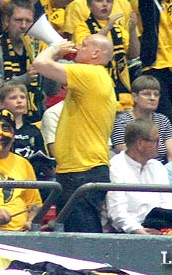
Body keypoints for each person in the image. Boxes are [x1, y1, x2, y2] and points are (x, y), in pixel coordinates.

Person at [32, 34, 118, 231]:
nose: (78, 47)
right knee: (76, 235)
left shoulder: (90, 73)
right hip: (78, 169)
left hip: (82, 170)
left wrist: (55, 47)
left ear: (96, 53)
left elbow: (40, 64)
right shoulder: (95, 77)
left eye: (84, 45)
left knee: (83, 240)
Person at [106, 118, 172, 234]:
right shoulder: (115, 167)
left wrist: (168, 231)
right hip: (128, 234)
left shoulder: (158, 167)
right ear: (140, 144)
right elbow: (118, 212)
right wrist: (139, 231)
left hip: (160, 229)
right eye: (156, 141)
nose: (160, 145)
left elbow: (168, 205)